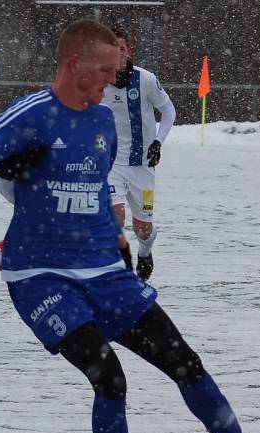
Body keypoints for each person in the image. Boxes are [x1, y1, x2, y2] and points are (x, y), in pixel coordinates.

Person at [0, 19, 260, 433]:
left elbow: (92, 186)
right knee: (109, 378)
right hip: (39, 277)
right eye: (107, 71)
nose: (114, 80)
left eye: (118, 71)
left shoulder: (100, 122)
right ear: (76, 66)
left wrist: (113, 237)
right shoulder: (32, 114)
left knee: (186, 362)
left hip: (104, 269)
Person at [101, 28, 175, 281]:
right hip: (112, 165)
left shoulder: (145, 79)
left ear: (128, 51)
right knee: (116, 219)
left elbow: (168, 112)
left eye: (121, 49)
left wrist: (157, 142)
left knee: (143, 228)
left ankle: (145, 252)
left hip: (142, 164)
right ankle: (118, 274)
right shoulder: (97, 82)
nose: (117, 54)